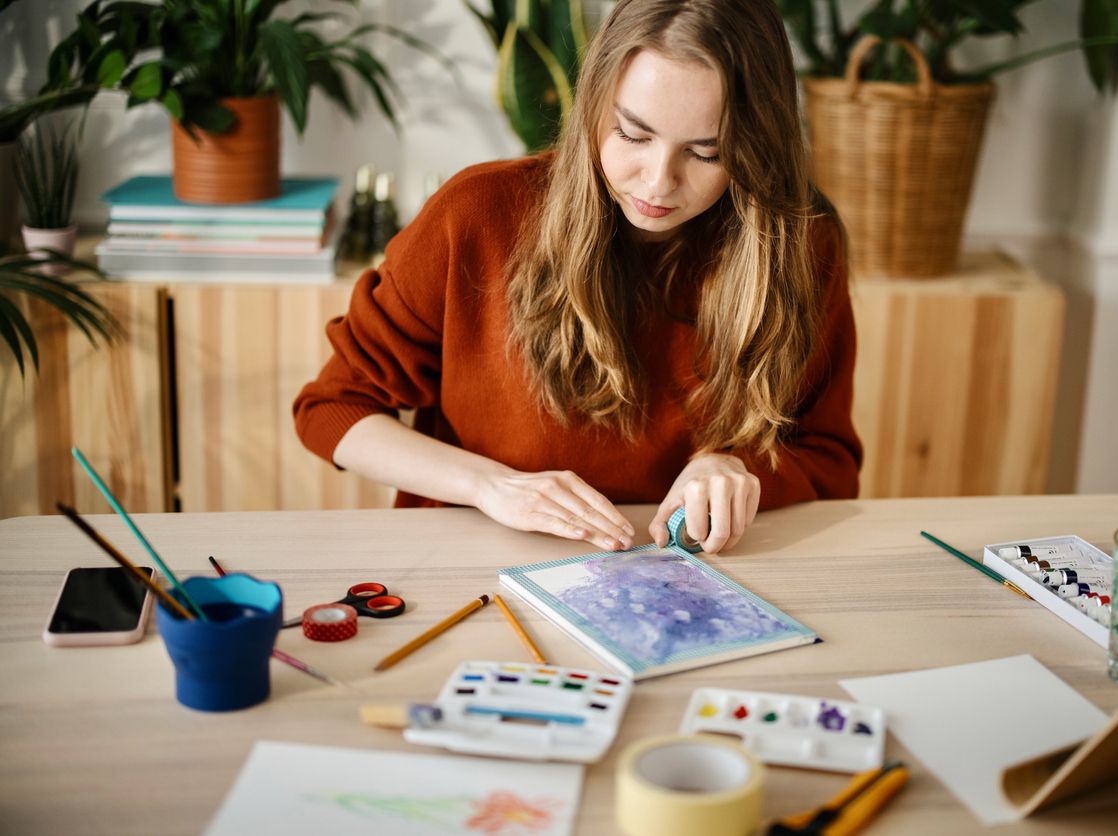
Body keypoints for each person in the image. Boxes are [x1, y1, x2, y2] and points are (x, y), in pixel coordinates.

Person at [293, 0, 861, 555]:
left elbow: (829, 457)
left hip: (679, 576)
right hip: (472, 566)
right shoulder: (476, 215)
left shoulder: (803, 246)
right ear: (592, 104)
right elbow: (333, 410)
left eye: (706, 153)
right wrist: (490, 486)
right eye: (633, 134)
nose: (658, 181)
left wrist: (738, 468)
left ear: (756, 144)